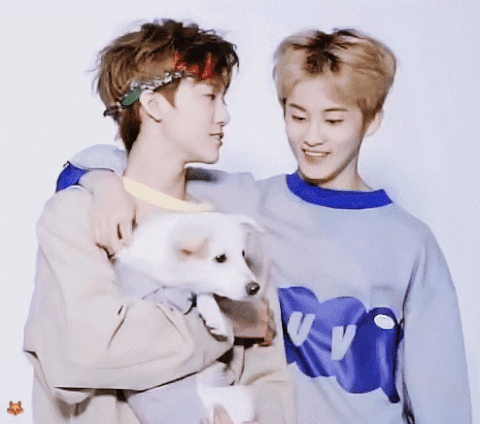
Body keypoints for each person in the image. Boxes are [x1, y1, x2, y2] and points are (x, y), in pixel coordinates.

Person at [56, 28, 472, 423]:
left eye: (333, 120)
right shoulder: (241, 203)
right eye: (298, 116)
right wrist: (103, 182)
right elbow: (136, 165)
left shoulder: (410, 242)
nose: (312, 137)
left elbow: (442, 396)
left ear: (372, 119)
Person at [24, 19, 294, 424]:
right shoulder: (77, 216)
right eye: (209, 96)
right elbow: (87, 355)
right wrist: (226, 323)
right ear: (153, 105)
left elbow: (269, 380)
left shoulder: (233, 229)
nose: (224, 115)